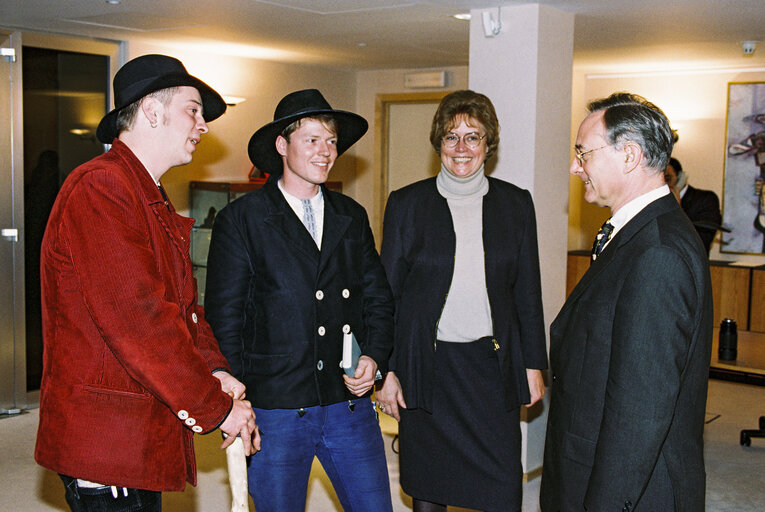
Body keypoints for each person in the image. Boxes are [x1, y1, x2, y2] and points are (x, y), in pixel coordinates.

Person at [34, 54, 260, 512]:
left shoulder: (145, 194)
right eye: (192, 110)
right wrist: (214, 408)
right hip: (108, 442)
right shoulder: (101, 188)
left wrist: (216, 372)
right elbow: (141, 323)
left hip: (137, 436)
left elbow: (184, 311)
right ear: (152, 112)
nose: (203, 126)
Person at [203, 89, 395, 511]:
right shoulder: (243, 220)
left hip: (348, 404)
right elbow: (225, 318)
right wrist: (235, 402)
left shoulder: (352, 215)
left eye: (331, 141)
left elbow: (378, 299)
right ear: (281, 146)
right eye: (312, 140)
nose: (326, 152)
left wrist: (375, 359)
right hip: (277, 407)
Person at [540, 93, 713, 512]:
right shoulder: (641, 233)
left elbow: (640, 411)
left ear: (630, 155)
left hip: (630, 490)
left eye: (583, 153)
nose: (574, 166)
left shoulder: (658, 252)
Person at [376, 89, 548, 512]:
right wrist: (387, 369)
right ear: (438, 143)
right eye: (451, 136)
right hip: (427, 367)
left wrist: (533, 362)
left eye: (473, 136)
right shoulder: (406, 204)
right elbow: (387, 296)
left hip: (491, 368)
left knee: (503, 487)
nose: (462, 148)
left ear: (489, 144)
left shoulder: (515, 203)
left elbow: (527, 290)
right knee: (430, 490)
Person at [664, 157, 722, 253]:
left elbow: (702, 242)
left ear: (681, 178)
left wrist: (677, 210)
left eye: (667, 178)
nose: (663, 183)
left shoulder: (706, 199)